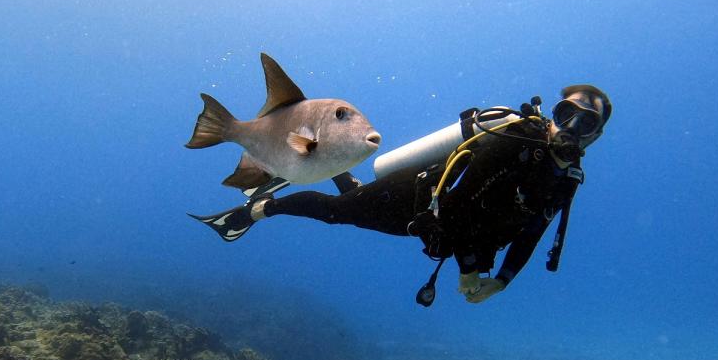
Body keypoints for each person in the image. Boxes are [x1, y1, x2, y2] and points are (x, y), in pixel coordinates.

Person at [191, 85, 611, 305]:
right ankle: (261, 209)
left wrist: (503, 279)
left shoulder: (566, 178)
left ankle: (336, 166)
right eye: (564, 114)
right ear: (551, 116)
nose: (570, 128)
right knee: (338, 212)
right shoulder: (514, 141)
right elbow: (460, 205)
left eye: (585, 123)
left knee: (354, 201)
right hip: (412, 199)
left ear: (596, 136)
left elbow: (535, 229)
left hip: (436, 230)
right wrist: (469, 268)